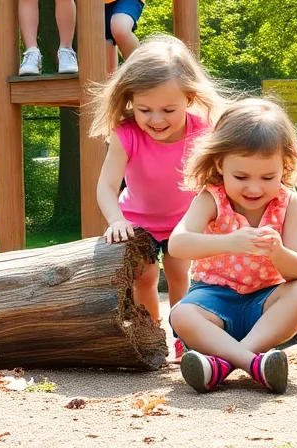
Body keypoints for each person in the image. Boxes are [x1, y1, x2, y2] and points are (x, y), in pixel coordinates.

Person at [168, 99, 297, 394]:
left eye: (267, 177)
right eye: (241, 177)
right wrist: (230, 241)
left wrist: (277, 252)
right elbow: (178, 244)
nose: (254, 188)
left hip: (265, 312)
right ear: (219, 163)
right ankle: (254, 363)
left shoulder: (289, 203)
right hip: (213, 303)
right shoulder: (211, 198)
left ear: (285, 167)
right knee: (181, 314)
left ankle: (224, 365)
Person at [91, 34, 223, 355]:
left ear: (189, 98)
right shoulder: (127, 135)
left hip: (183, 222)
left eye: (168, 109)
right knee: (145, 278)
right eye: (145, 109)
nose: (156, 119)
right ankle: (151, 337)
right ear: (130, 100)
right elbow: (107, 186)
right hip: (137, 223)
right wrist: (115, 219)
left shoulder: (202, 130)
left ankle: (184, 338)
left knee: (180, 275)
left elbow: (217, 179)